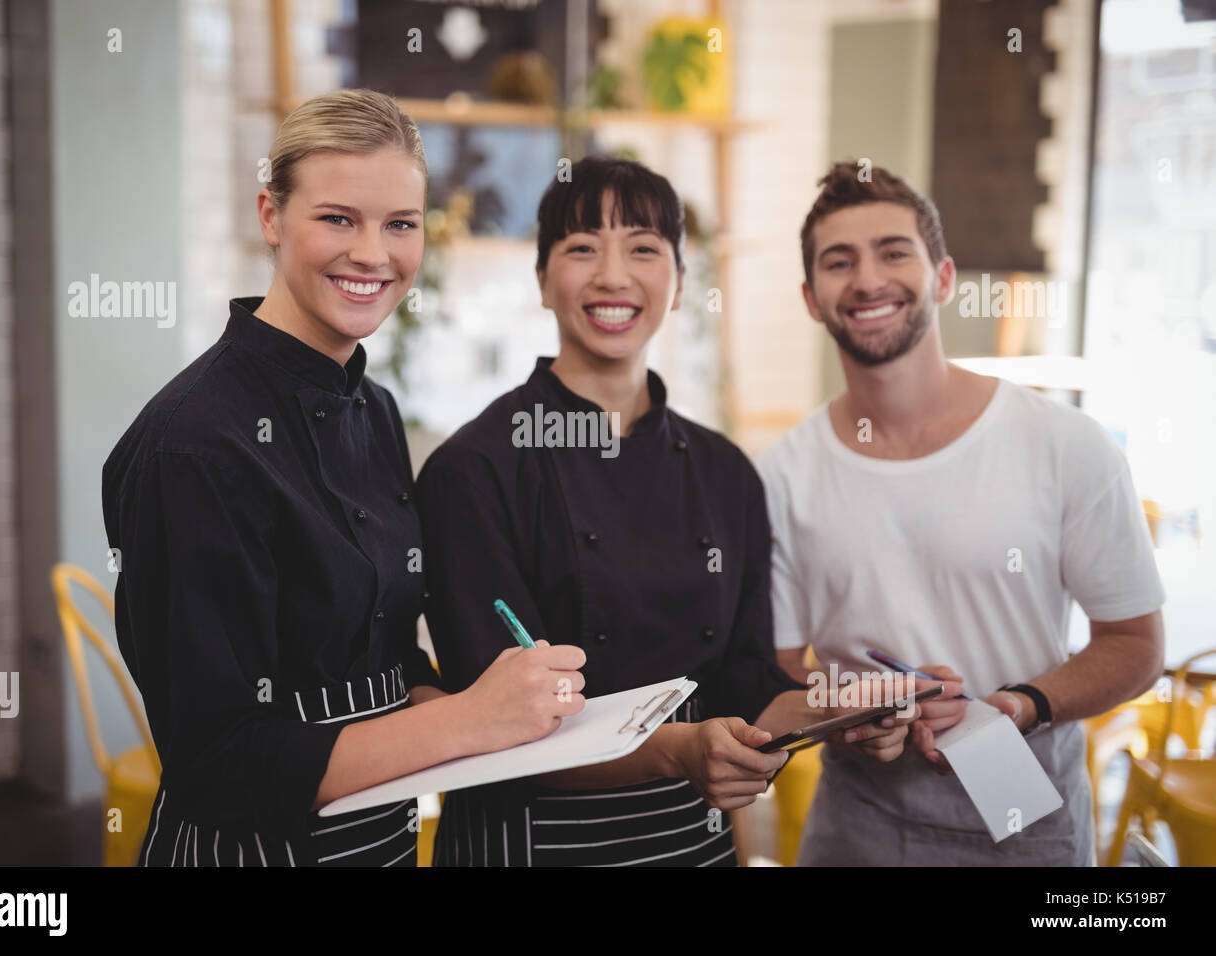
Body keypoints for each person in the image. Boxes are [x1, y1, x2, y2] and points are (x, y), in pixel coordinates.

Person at [101, 89, 585, 867]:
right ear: (270, 216)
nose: (372, 254)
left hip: (379, 843)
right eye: (337, 219)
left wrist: (488, 707)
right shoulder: (190, 446)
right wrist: (470, 723)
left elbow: (385, 652)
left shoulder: (377, 410)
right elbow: (220, 764)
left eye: (400, 224)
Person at [415, 157, 914, 867]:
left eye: (644, 249)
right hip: (528, 843)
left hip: (689, 842)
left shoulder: (723, 472)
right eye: (582, 247)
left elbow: (747, 682)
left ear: (679, 284)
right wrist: (676, 752)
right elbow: (490, 725)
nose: (614, 276)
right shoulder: (477, 469)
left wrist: (844, 713)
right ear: (542, 282)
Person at [759, 161, 1166, 866]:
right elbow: (779, 667)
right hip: (854, 826)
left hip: (1025, 822)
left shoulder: (1065, 444)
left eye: (893, 252)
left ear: (943, 278)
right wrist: (853, 711)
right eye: (839, 261)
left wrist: (1019, 705)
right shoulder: (780, 475)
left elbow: (1135, 644)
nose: (866, 279)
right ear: (811, 298)